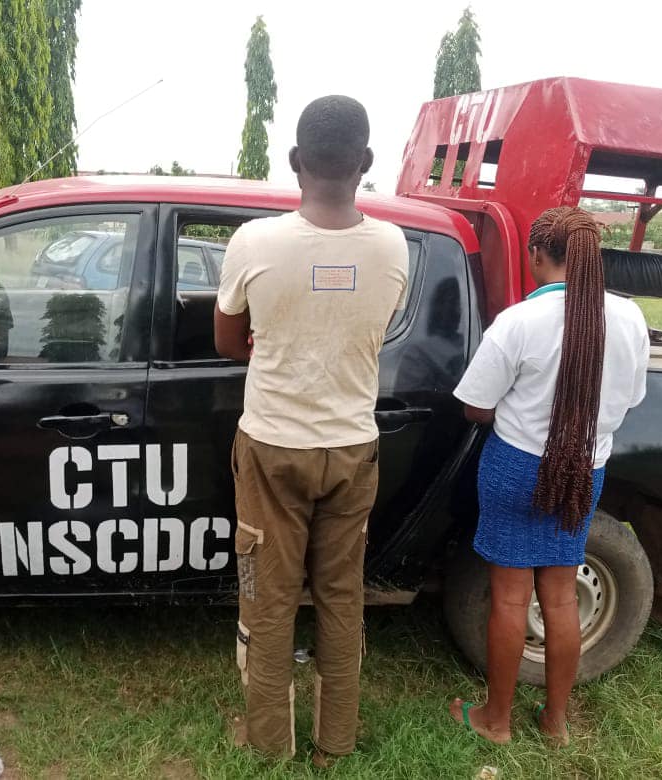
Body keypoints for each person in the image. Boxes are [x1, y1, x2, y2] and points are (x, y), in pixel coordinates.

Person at [214, 95, 409, 764]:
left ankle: (271, 743)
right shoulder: (392, 247)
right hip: (353, 446)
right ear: (367, 163)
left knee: (267, 598)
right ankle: (336, 742)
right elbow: (374, 326)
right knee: (341, 592)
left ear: (295, 161)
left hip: (271, 445)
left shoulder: (254, 243)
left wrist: (277, 344)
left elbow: (226, 337)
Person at [448, 206, 649, 745]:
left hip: (516, 467)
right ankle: (556, 722)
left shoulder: (518, 321)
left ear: (538, 255)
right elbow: (629, 402)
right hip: (585, 471)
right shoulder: (630, 319)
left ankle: (496, 719)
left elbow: (474, 406)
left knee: (511, 597)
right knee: (559, 596)